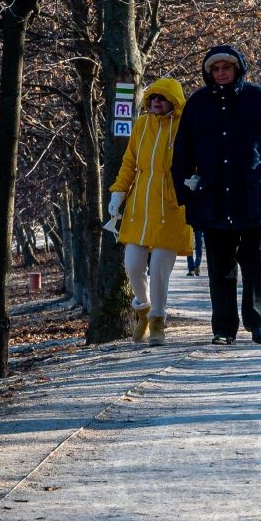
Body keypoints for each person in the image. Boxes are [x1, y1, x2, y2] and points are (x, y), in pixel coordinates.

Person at [171, 43, 261, 344]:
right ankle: (223, 329)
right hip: (212, 198)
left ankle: (255, 322)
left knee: (254, 261)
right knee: (219, 265)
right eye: (215, 69)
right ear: (208, 73)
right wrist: (185, 191)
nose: (220, 73)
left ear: (237, 69)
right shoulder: (197, 104)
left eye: (225, 68)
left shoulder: (260, 99)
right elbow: (182, 153)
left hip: (255, 195)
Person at [105, 77, 193, 345]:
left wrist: (194, 181)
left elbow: (197, 159)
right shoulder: (141, 125)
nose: (156, 102)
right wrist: (118, 193)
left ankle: (158, 320)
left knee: (159, 268)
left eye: (162, 98)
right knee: (132, 264)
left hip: (172, 206)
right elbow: (129, 162)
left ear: (174, 101)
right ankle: (143, 309)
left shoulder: (185, 127)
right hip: (139, 205)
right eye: (153, 97)